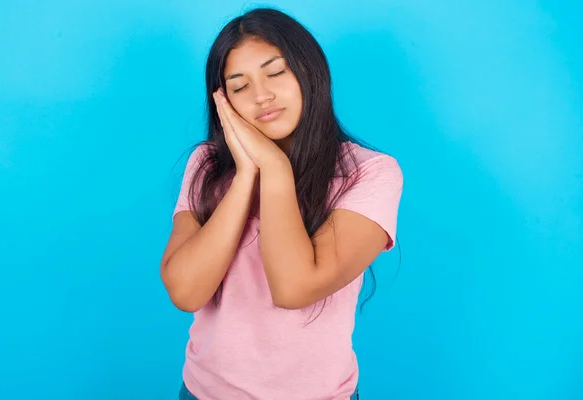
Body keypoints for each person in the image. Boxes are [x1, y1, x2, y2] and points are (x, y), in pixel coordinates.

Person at [160, 7, 403, 400]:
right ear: (225, 104)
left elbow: (293, 288)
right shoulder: (206, 165)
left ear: (309, 71)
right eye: (239, 87)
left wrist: (274, 167)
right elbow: (186, 293)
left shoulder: (370, 173)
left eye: (276, 73)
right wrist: (245, 175)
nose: (262, 95)